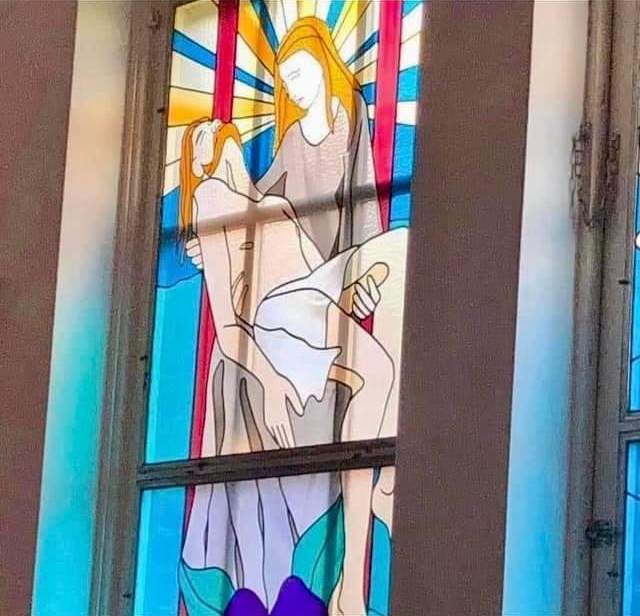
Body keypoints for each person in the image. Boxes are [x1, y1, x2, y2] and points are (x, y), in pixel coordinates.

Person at [181, 17, 397, 614]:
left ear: (325, 66)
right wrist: (209, 239)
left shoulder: (348, 120)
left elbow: (362, 199)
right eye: (287, 80)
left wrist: (361, 271)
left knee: (384, 349)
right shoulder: (238, 185)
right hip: (294, 305)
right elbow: (235, 292)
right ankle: (348, 568)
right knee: (373, 373)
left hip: (329, 280)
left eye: (301, 74)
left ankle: (360, 546)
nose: (296, 89)